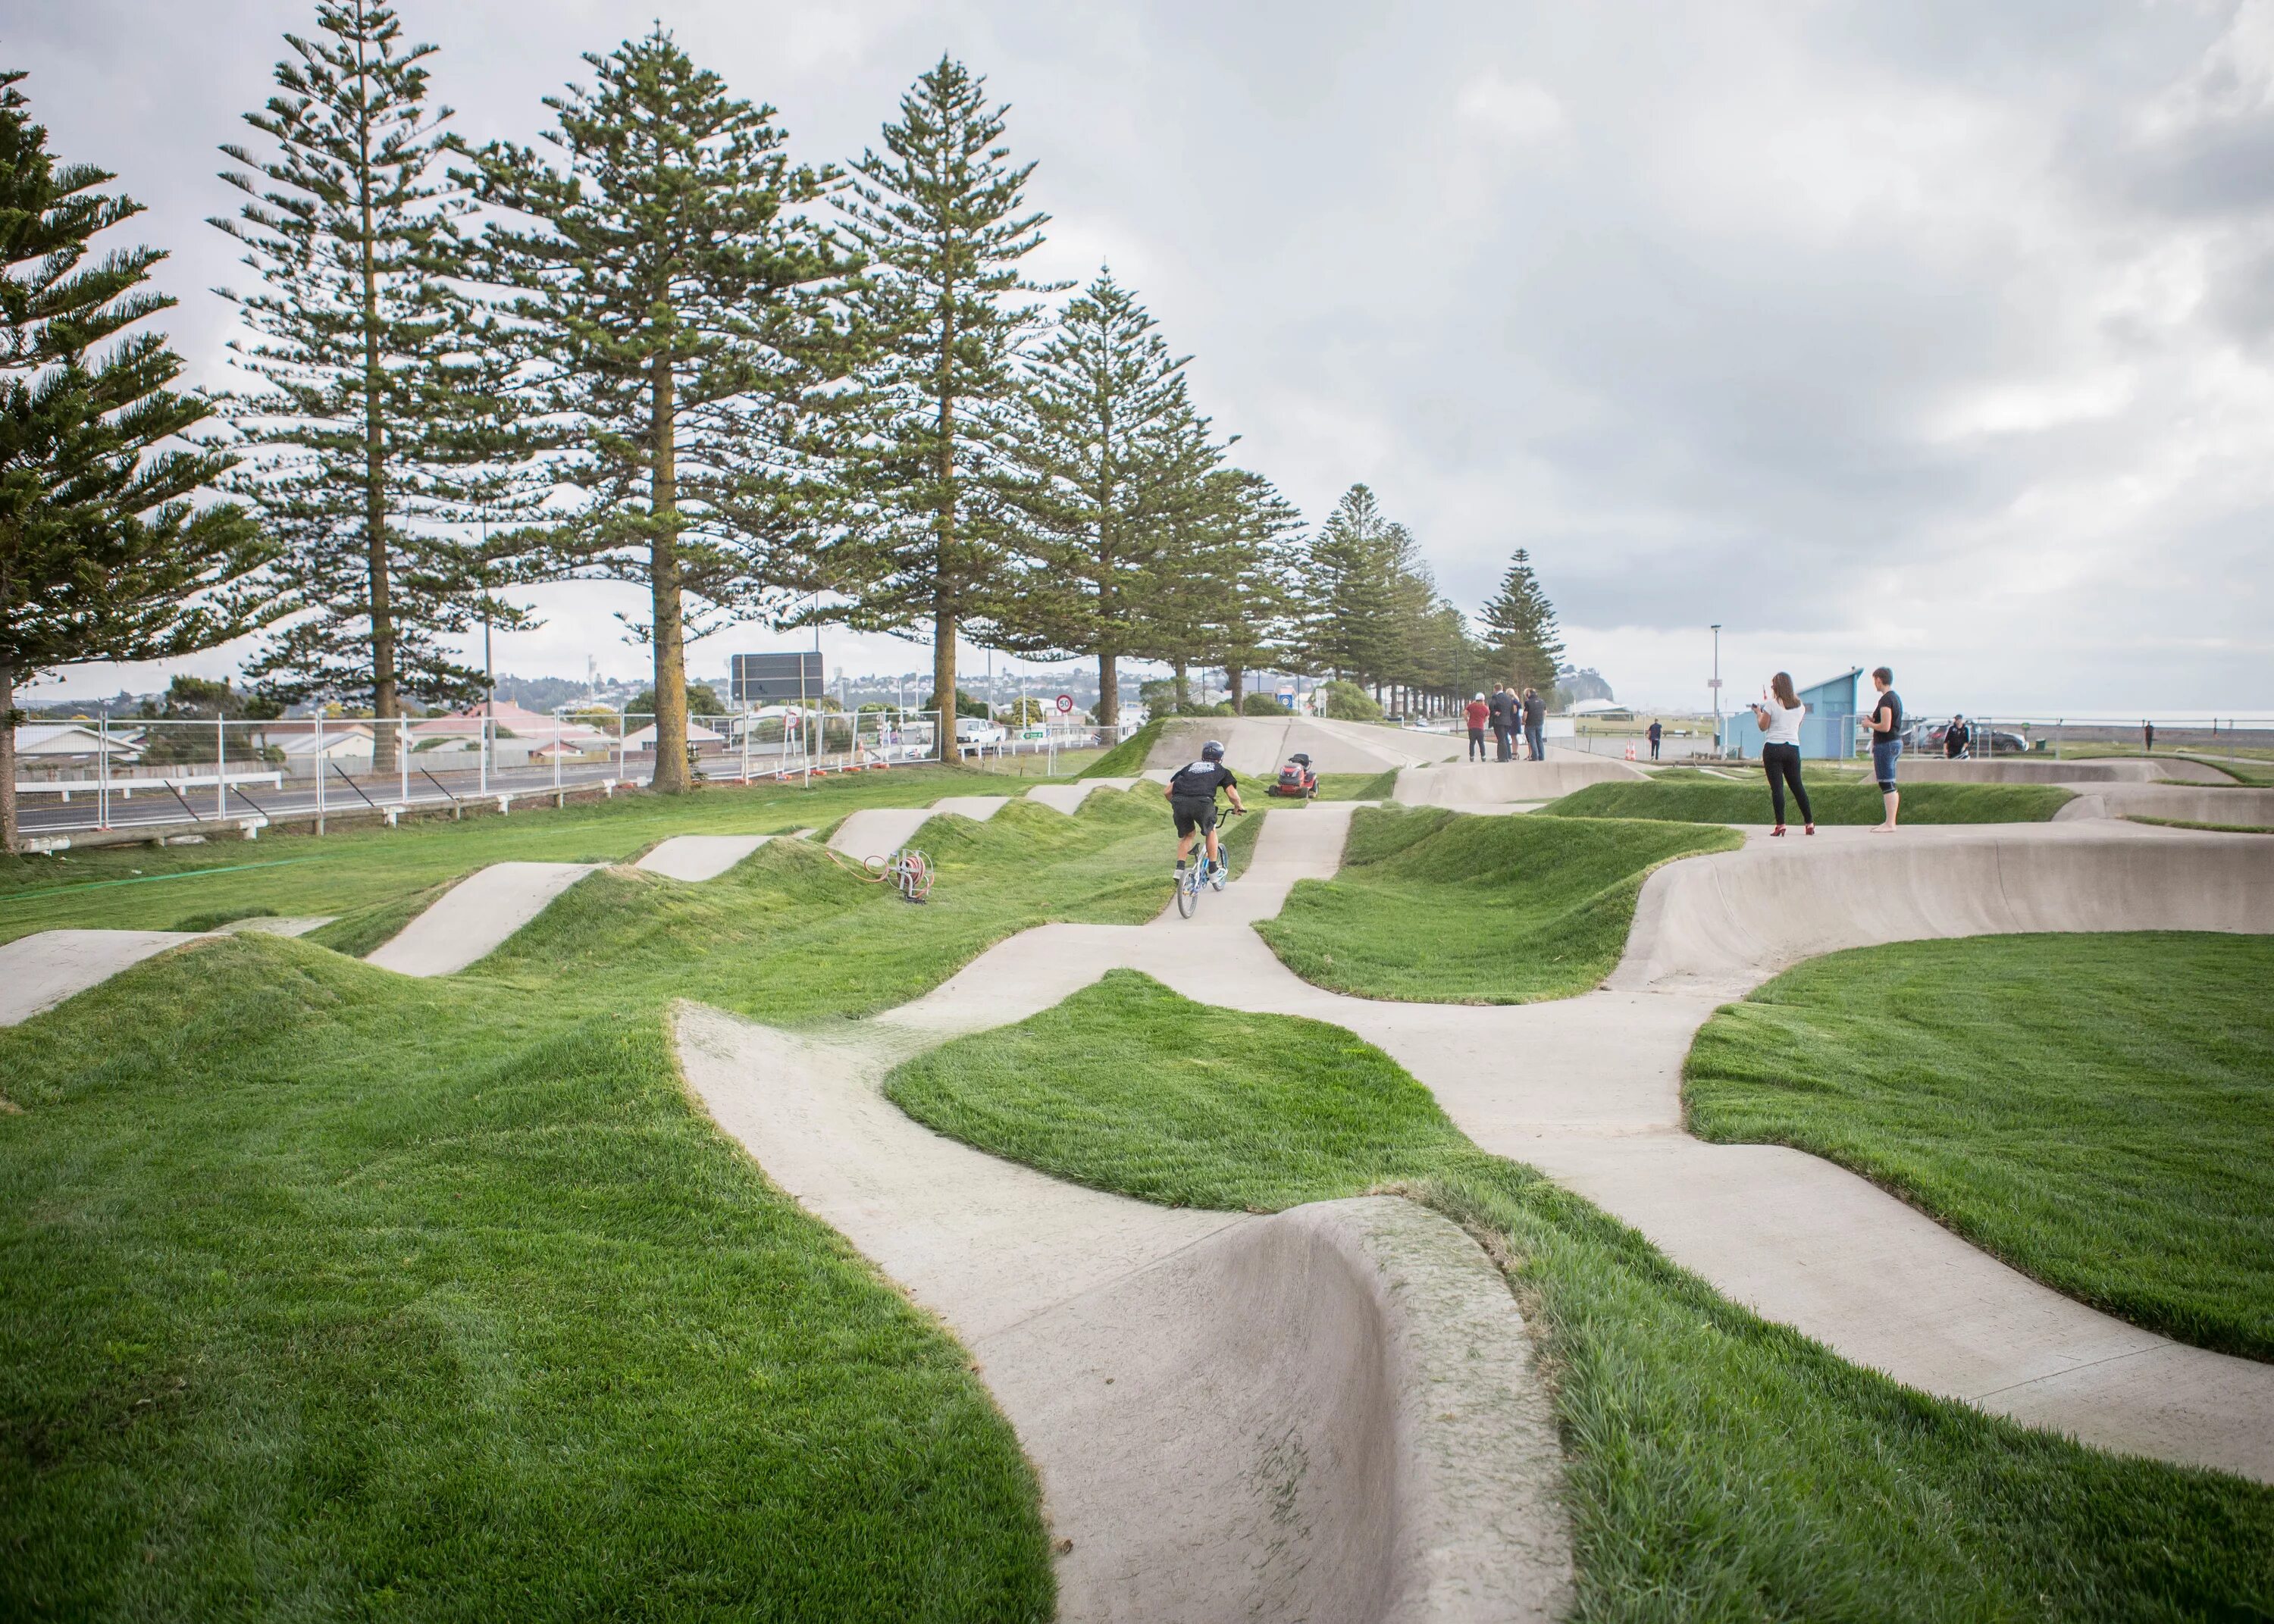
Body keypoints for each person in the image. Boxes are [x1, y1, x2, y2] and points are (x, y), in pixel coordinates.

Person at [1167, 739, 1245, 884]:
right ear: (1220, 758)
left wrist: (1177, 804)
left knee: (1188, 836)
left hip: (1180, 801)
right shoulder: (1221, 770)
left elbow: (1167, 791)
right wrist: (1238, 806)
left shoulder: (1189, 767)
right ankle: (1214, 871)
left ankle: (1179, 870)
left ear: (1203, 755)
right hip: (1203, 802)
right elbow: (1232, 794)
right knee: (1211, 831)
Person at [1749, 673, 1815, 835]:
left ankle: (1781, 824)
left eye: (1772, 686)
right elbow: (1796, 727)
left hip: (1773, 748)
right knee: (1797, 786)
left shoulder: (1771, 704)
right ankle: (1809, 823)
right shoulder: (1800, 706)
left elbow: (1763, 727)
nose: (1771, 689)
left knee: (1777, 788)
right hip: (1792, 748)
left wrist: (1758, 713)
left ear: (1776, 687)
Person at [1862, 666, 1904, 831]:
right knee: (1890, 782)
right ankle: (1890, 822)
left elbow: (1886, 726)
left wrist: (1869, 724)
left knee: (1887, 783)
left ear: (1879, 679)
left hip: (1886, 745)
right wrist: (1874, 719)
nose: (1875, 684)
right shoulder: (1895, 698)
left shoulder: (1886, 700)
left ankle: (1890, 823)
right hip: (1894, 743)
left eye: (1875, 680)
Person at [1489, 684, 1515, 761]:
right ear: (1502, 688)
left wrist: (1494, 712)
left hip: (1499, 721)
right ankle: (1506, 756)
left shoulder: (1495, 697)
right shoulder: (1508, 697)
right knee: (1503, 738)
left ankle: (1502, 757)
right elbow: (1512, 710)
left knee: (1501, 739)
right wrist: (1510, 719)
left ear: (1495, 689)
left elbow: (1491, 705)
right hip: (1507, 721)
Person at [1522, 687, 1547, 761]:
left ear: (1529, 694)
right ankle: (1542, 756)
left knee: (1532, 740)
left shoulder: (1528, 702)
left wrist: (1524, 721)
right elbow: (1545, 712)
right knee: (1539, 739)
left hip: (1530, 723)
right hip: (1540, 723)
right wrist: (1542, 719)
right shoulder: (1542, 701)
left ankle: (1535, 756)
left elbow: (1525, 714)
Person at [1464, 693, 1491, 762]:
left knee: (1472, 743)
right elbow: (1486, 719)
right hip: (1480, 728)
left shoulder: (1471, 706)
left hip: (1472, 727)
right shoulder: (1485, 708)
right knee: (1481, 743)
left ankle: (1472, 757)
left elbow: (1465, 714)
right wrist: (1482, 722)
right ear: (1483, 700)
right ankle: (1483, 756)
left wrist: (1468, 721)